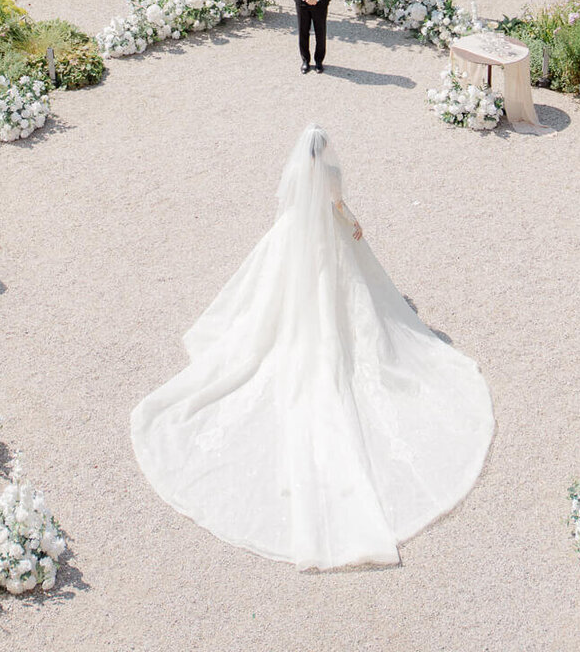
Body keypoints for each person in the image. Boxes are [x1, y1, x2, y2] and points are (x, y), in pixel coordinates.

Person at [130, 124, 494, 571]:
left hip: (294, 239)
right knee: (345, 303)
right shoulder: (333, 172)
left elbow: (292, 205)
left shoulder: (300, 172)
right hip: (329, 244)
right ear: (328, 151)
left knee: (270, 301)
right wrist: (355, 224)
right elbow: (337, 206)